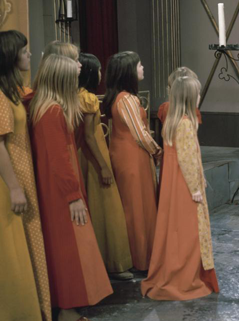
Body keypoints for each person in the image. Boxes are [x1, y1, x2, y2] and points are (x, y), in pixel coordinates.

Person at [29, 54, 112, 321]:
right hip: (60, 189)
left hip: (56, 185)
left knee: (66, 243)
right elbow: (59, 158)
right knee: (70, 245)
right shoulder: (52, 111)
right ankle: (67, 309)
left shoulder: (44, 106)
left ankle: (68, 304)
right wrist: (73, 195)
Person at [141, 76, 219, 300]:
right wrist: (196, 186)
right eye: (197, 93)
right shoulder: (184, 123)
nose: (199, 96)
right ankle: (185, 277)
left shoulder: (175, 120)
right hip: (185, 185)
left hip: (176, 181)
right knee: (188, 232)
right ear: (188, 97)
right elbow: (187, 159)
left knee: (176, 228)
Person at [0, 30, 53, 321]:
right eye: (24, 50)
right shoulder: (0, 95)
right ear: (10, 56)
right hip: (11, 181)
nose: (29, 54)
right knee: (14, 253)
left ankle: (39, 314)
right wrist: (14, 188)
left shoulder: (13, 91)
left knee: (28, 246)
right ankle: (19, 320)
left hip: (22, 176)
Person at [103, 51, 162, 273]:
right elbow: (140, 135)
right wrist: (158, 152)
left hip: (125, 155)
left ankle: (139, 256)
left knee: (134, 206)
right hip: (133, 158)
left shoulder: (118, 98)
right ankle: (142, 258)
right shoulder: (127, 99)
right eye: (139, 65)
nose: (142, 68)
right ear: (128, 71)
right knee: (137, 208)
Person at [78, 53, 133, 280]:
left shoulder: (76, 96)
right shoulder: (89, 98)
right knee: (107, 209)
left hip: (84, 156)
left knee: (95, 207)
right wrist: (103, 165)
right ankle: (113, 262)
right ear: (91, 73)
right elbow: (89, 136)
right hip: (95, 157)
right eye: (99, 69)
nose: (101, 74)